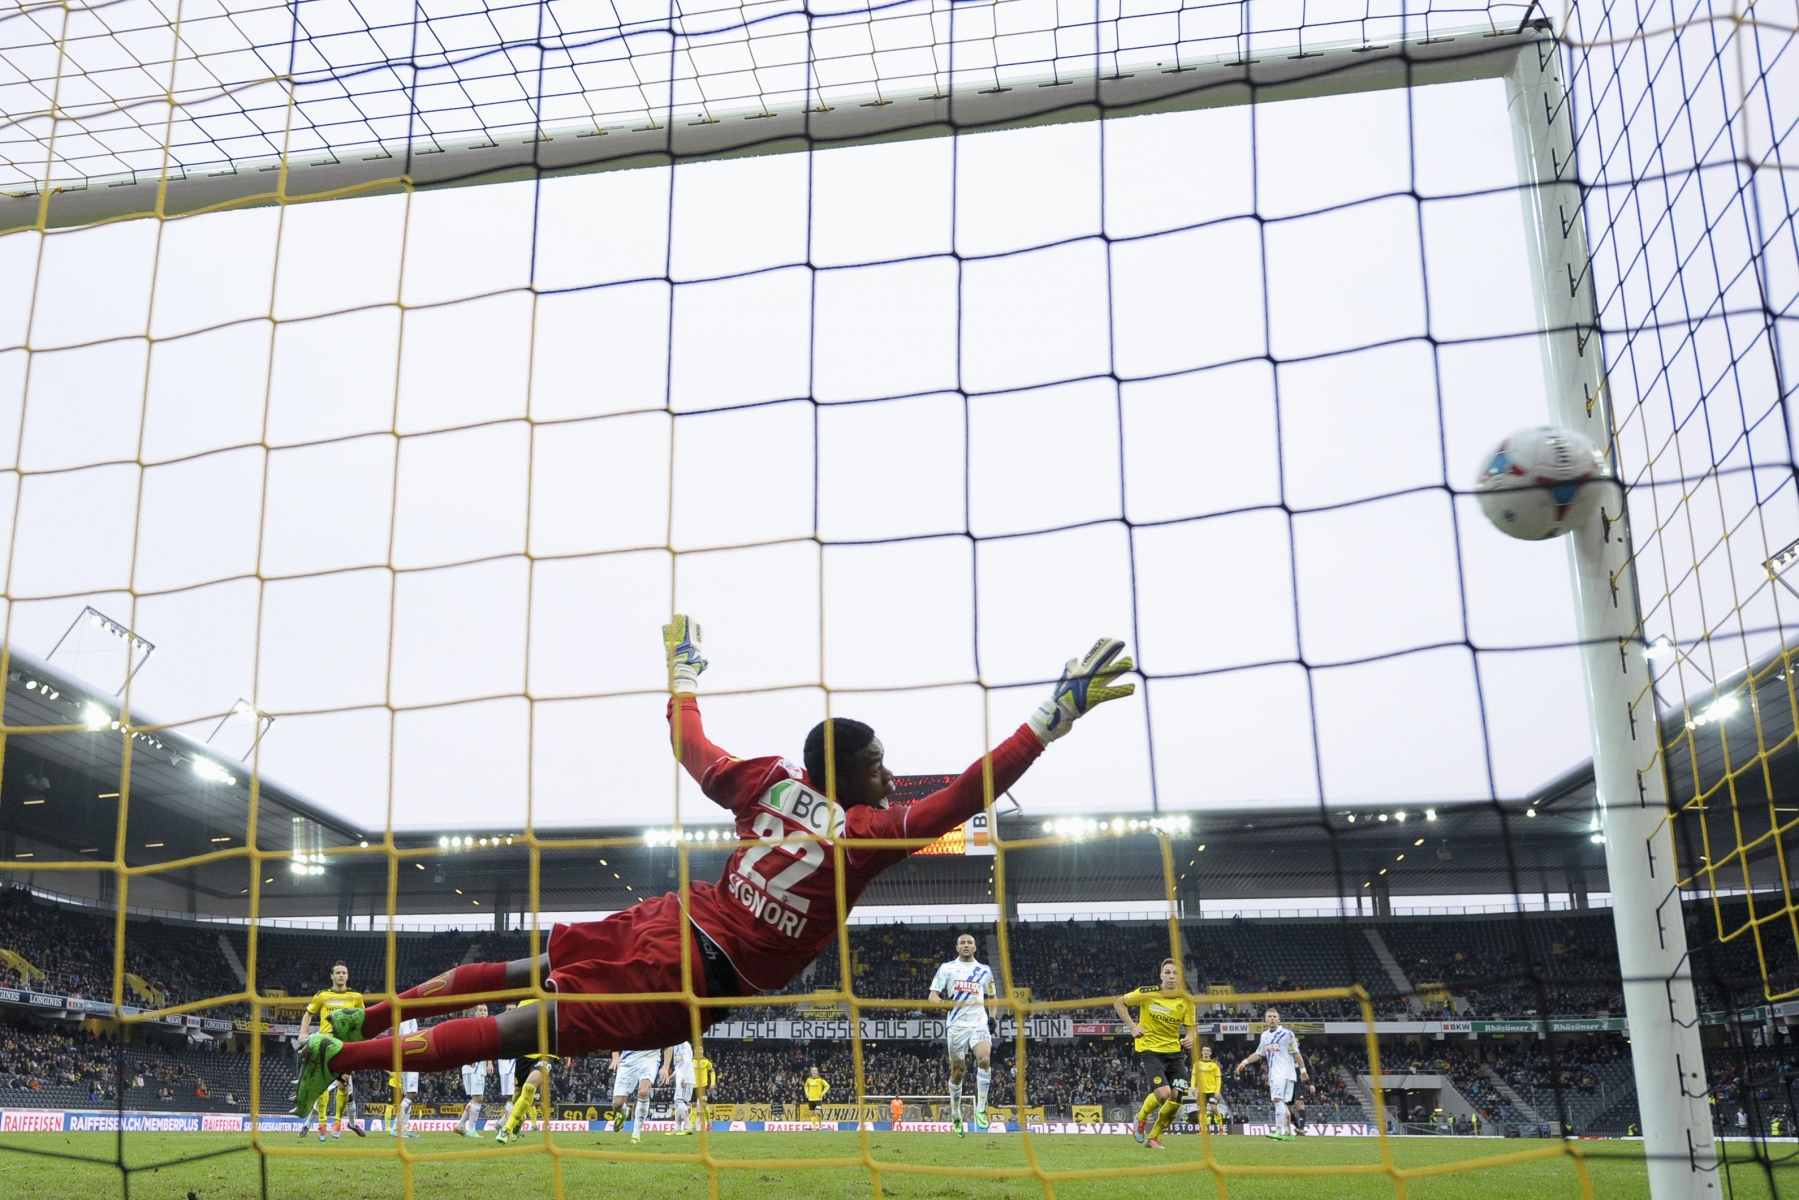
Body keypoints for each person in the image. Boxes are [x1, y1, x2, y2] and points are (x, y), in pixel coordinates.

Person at [292, 618, 1134, 1117]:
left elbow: (691, 747)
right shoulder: (868, 832)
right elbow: (960, 796)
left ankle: (367, 1016)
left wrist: (681, 679)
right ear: (848, 774)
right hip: (696, 971)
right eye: (877, 763)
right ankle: (341, 1061)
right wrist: (1048, 719)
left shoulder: (767, 783)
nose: (887, 772)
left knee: (525, 967)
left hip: (672, 915)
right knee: (527, 1028)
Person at [1116, 957, 1195, 1150]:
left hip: (1174, 1053)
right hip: (1150, 1050)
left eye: (1175, 973)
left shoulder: (1186, 1001)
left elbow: (1191, 1027)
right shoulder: (1146, 993)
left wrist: (1190, 1037)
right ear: (1161, 975)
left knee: (1176, 1098)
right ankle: (1140, 1118)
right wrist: (1133, 1027)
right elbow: (1118, 1003)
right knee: (1163, 1094)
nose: (1171, 976)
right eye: (1167, 972)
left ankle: (1154, 1138)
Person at [930, 932, 997, 1137]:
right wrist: (943, 1004)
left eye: (970, 943)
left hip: (978, 1024)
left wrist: (992, 1017)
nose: (966, 945)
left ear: (975, 948)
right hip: (957, 1026)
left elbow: (992, 996)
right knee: (958, 1072)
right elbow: (933, 996)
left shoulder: (984, 970)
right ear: (957, 948)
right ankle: (956, 1113)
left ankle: (980, 1109)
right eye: (963, 943)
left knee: (985, 1059)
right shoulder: (947, 968)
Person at [298, 962, 364, 1140]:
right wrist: (303, 1033)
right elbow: (308, 1013)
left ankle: (337, 1122)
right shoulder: (322, 995)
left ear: (347, 976)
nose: (341, 975)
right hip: (325, 1044)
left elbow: (362, 1020)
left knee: (344, 1085)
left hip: (346, 1045)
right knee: (323, 1086)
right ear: (332, 976)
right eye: (338, 973)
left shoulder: (356, 996)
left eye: (344, 972)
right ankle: (321, 1125)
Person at [1234, 1007, 1312, 1140]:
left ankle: (1277, 1130)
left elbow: (1296, 1053)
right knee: (1282, 1103)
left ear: (1279, 1019)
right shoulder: (1264, 1036)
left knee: (1277, 1101)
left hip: (1284, 1074)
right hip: (1275, 1075)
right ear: (1265, 1019)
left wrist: (1303, 1071)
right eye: (1269, 1017)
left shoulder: (1287, 1034)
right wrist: (1245, 1062)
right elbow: (1259, 1053)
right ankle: (1287, 1133)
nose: (1272, 1019)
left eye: (1274, 1017)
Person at [497, 998, 559, 1144]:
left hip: (547, 1053)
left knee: (530, 1086)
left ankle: (506, 1128)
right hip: (525, 1053)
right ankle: (519, 1121)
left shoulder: (555, 1000)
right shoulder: (524, 1003)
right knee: (517, 1095)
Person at [609, 1046, 672, 1144]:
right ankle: (624, 1112)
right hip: (628, 1059)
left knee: (643, 1092)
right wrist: (615, 1056)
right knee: (617, 1104)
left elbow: (669, 1044)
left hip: (649, 1059)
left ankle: (636, 1135)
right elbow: (615, 1038)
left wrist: (665, 1067)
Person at [457, 1004, 493, 1137]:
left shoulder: (486, 1028)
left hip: (479, 1068)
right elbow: (464, 1043)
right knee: (478, 1098)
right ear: (476, 1013)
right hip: (472, 1067)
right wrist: (469, 1057)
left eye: (485, 1010)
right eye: (481, 1011)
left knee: (475, 1099)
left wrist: (489, 1063)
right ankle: (471, 1129)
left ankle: (460, 1125)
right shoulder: (472, 1026)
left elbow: (489, 1048)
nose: (483, 1013)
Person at [1192, 1042, 1224, 1136]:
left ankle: (1221, 1129)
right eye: (1204, 1050)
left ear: (1210, 1053)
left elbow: (1218, 1078)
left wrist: (1217, 1091)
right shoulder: (1197, 1064)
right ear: (1202, 1052)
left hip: (1212, 1091)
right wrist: (1193, 1087)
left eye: (1207, 1051)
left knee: (1214, 1109)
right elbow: (1194, 1076)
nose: (1205, 1052)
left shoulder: (1214, 1065)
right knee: (1202, 1110)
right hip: (1201, 1091)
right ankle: (1203, 1130)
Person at [668, 1041, 698, 1136]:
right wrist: (673, 1075)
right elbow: (680, 1064)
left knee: (679, 1101)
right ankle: (677, 1128)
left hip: (685, 1079)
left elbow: (686, 1062)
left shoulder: (682, 1044)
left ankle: (688, 1127)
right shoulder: (677, 1044)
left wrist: (683, 1078)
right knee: (677, 1103)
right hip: (682, 1077)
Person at [691, 1049, 716, 1132]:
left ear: (702, 1051)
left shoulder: (706, 1061)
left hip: (702, 1086)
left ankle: (709, 1122)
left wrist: (712, 1083)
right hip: (693, 1086)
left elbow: (712, 1073)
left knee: (704, 1105)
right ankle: (692, 1126)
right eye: (698, 1050)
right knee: (693, 1105)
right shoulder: (691, 1061)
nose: (699, 1051)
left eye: (701, 1049)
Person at [803, 1065, 832, 1130]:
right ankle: (814, 1127)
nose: (814, 1072)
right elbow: (806, 1086)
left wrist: (822, 1093)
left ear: (817, 1072)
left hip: (818, 1099)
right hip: (811, 1099)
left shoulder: (820, 1079)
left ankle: (820, 1123)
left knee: (818, 1112)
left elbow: (827, 1086)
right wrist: (806, 1093)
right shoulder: (808, 1079)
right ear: (811, 1072)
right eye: (813, 1071)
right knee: (812, 1113)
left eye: (815, 1071)